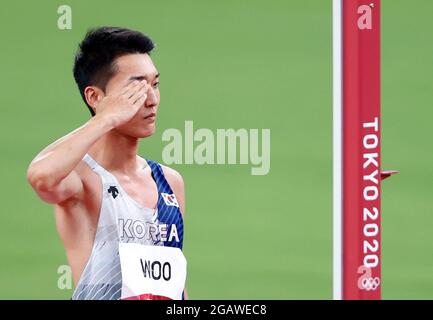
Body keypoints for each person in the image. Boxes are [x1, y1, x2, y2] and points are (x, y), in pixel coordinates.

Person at [27, 26, 188, 300]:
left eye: (155, 84)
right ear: (95, 97)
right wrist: (106, 118)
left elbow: (175, 285)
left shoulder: (169, 181)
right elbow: (41, 177)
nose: (151, 99)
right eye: (136, 87)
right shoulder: (81, 180)